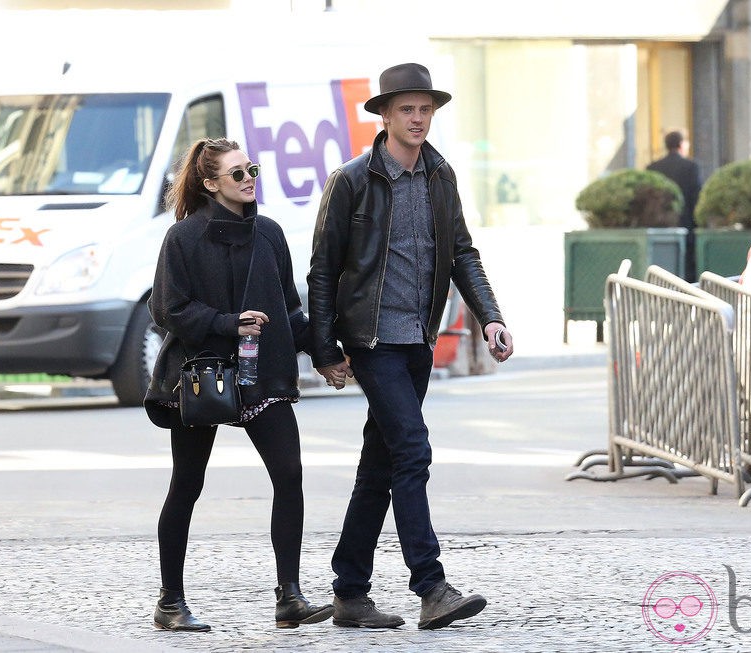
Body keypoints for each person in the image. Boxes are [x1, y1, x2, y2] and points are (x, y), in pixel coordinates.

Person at [308, 62, 514, 630]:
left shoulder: (440, 177)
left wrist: (490, 318)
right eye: (407, 109)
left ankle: (350, 591)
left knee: (381, 465)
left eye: (425, 109)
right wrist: (325, 347)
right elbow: (323, 269)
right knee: (413, 449)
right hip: (371, 338)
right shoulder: (353, 179)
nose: (418, 118)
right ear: (385, 114)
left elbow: (463, 254)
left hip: (419, 339)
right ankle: (431, 585)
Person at [143, 137, 332, 632]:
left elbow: (290, 309)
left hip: (261, 376)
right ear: (210, 184)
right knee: (187, 483)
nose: (249, 178)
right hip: (202, 374)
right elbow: (167, 310)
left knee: (289, 475)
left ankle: (289, 596)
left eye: (252, 169)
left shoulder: (268, 234)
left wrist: (327, 354)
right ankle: (170, 601)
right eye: (237, 173)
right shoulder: (182, 238)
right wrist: (229, 323)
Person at [647, 130, 703, 282]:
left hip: (660, 228)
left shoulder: (652, 168)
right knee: (687, 274)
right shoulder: (692, 167)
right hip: (686, 226)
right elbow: (696, 197)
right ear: (681, 144)